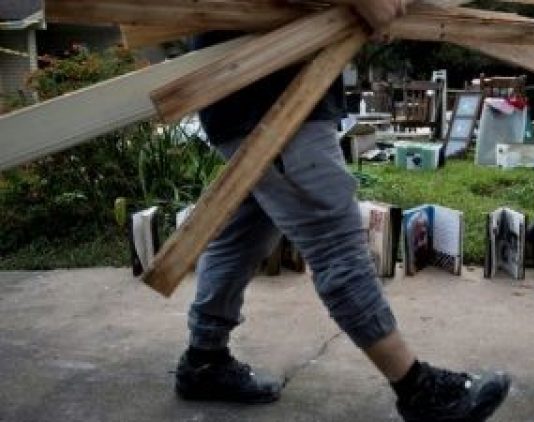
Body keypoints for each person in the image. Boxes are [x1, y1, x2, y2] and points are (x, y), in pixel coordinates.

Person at [174, 1, 511, 420]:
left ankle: (204, 359)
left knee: (245, 231)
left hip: (253, 86)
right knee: (334, 240)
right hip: (270, 95)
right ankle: (418, 389)